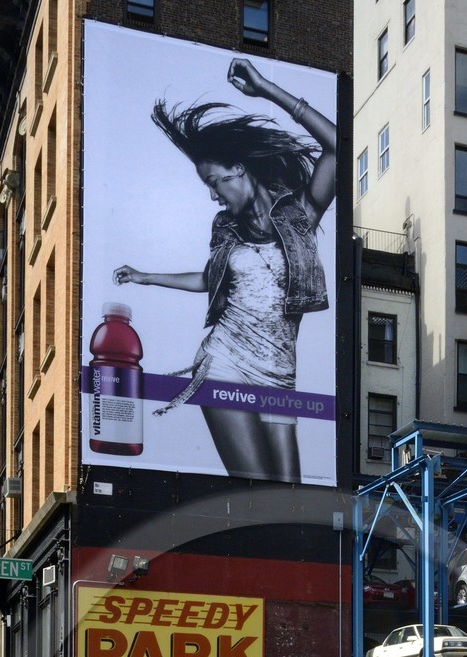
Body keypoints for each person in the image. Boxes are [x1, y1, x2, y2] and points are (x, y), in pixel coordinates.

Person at [115, 57, 336, 481]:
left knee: (288, 497)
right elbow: (208, 279)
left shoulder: (299, 215)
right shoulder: (225, 229)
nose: (214, 196)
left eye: (214, 182)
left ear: (239, 169)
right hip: (225, 361)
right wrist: (145, 276)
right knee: (256, 490)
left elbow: (336, 146)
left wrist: (266, 88)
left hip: (279, 373)